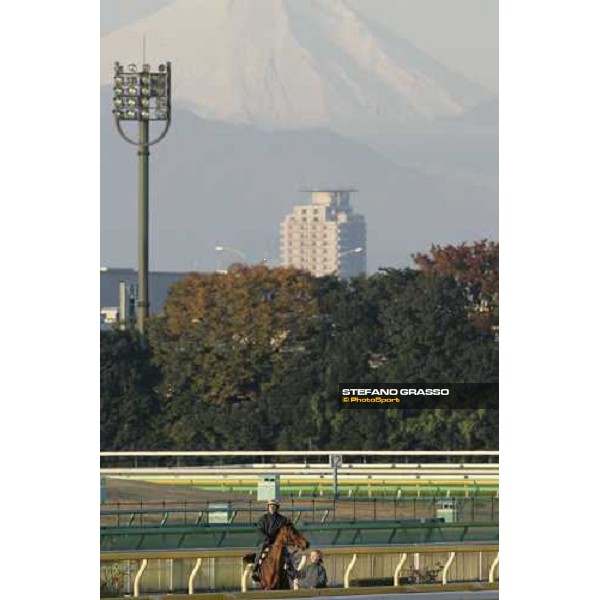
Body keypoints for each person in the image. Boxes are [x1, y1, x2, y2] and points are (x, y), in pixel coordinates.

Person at [252, 499, 292, 582]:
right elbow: (259, 530)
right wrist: (266, 539)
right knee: (259, 552)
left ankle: (291, 571)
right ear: (268, 507)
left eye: (274, 506)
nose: (272, 508)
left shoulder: (282, 519)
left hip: (278, 543)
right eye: (270, 506)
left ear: (277, 508)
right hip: (266, 542)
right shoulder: (263, 519)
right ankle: (256, 571)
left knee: (287, 554)